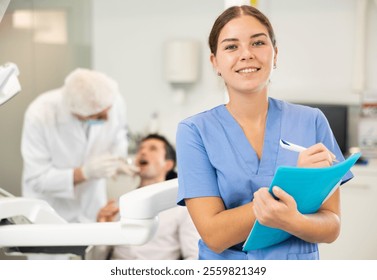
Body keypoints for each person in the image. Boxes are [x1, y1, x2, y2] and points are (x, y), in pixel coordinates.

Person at [175, 5, 353, 260]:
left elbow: (331, 226)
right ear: (215, 62)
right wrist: (291, 190)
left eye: (258, 43)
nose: (246, 54)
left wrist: (293, 220)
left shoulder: (311, 121)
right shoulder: (194, 132)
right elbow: (214, 235)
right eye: (231, 46)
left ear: (275, 54)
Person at [21, 68, 131, 223]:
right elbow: (36, 179)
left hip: (92, 205)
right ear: (77, 113)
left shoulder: (112, 100)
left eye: (108, 111)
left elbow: (119, 134)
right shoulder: (40, 114)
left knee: (92, 244)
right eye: (98, 115)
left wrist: (118, 159)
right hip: (53, 211)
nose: (106, 118)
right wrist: (83, 173)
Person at [87, 134, 200, 260]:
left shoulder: (182, 208)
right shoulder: (117, 205)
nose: (143, 152)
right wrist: (102, 229)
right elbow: (95, 260)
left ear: (168, 165)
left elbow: (194, 257)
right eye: (140, 148)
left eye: (152, 149)